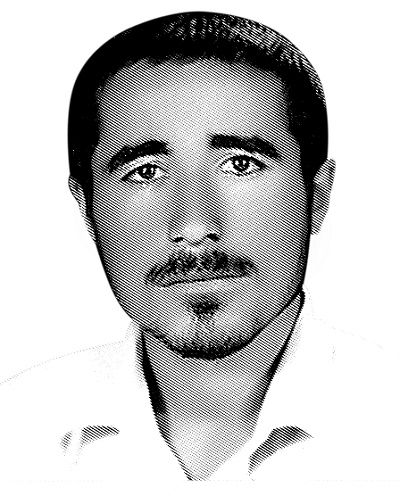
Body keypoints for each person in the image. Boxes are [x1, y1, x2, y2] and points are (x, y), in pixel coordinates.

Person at [0, 11, 398, 492]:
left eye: (240, 165)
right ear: (86, 208)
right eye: (145, 173)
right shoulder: (15, 430)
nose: (194, 224)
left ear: (317, 196)